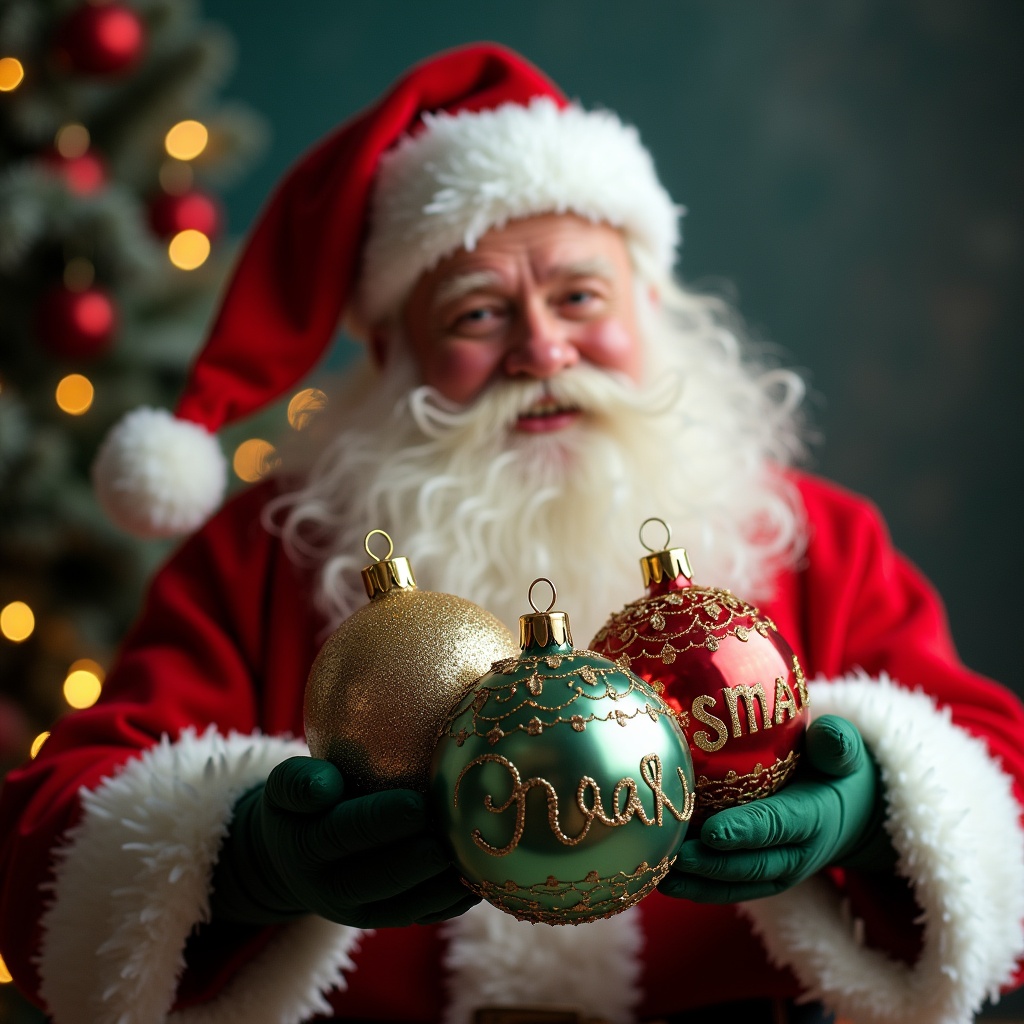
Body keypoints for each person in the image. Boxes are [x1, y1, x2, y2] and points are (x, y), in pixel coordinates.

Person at [1, 43, 1022, 1024]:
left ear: (652, 304)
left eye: (580, 296)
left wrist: (881, 809)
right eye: (479, 314)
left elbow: (1003, 793)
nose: (541, 346)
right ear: (393, 349)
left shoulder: (812, 536)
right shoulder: (261, 552)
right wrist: (238, 857)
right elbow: (46, 859)